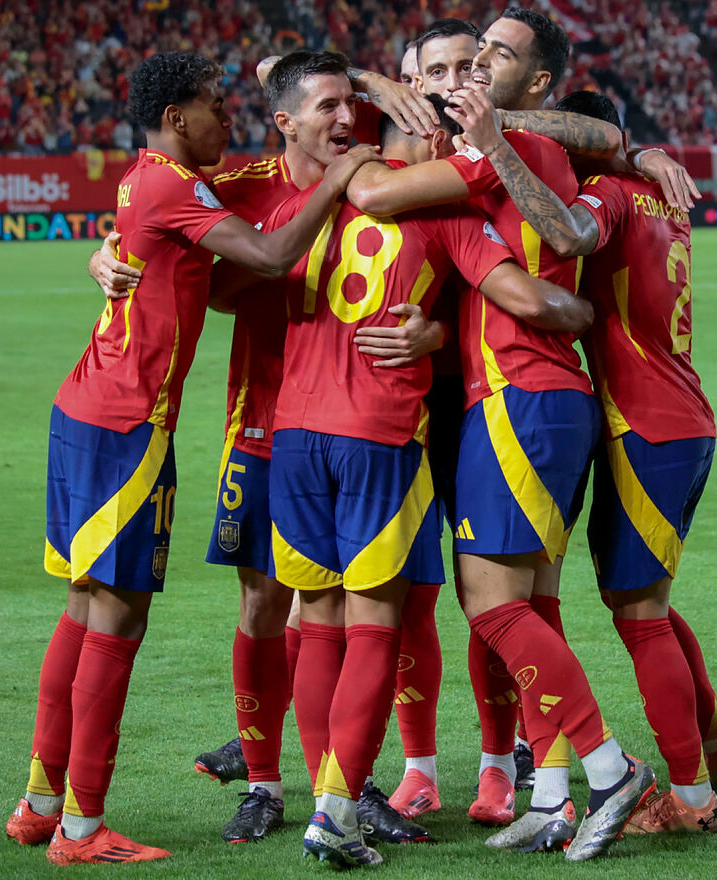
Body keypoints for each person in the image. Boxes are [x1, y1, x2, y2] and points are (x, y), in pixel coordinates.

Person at [3, 51, 377, 866]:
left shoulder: (149, 177)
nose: (225, 119)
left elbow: (169, 249)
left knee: (82, 607)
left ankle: (40, 802)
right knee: (117, 620)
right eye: (213, 106)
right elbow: (273, 258)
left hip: (88, 411)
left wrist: (107, 250)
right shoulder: (181, 183)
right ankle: (80, 827)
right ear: (177, 118)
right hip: (128, 424)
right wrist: (340, 178)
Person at [224, 83, 595, 868]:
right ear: (424, 141)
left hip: (292, 438)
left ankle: (320, 791)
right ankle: (336, 807)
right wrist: (581, 315)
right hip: (380, 440)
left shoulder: (309, 203)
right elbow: (522, 294)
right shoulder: (444, 215)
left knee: (315, 621)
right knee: (374, 630)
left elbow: (239, 277)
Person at [90, 51, 441, 847]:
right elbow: (172, 250)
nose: (346, 119)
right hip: (264, 420)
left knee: (368, 611)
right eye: (330, 106)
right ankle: (262, 782)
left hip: (363, 423)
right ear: (288, 119)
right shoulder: (245, 183)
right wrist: (106, 255)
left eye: (353, 104)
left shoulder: (383, 178)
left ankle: (346, 786)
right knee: (264, 605)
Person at [345, 8, 655, 861]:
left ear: (531, 83)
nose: (471, 71)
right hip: (534, 397)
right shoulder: (516, 149)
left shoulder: (498, 153)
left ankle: (607, 766)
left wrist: (384, 126)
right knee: (528, 602)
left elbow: (372, 193)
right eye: (465, 58)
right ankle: (552, 795)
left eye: (488, 58)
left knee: (490, 602)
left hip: (519, 395)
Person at [455, 86, 717, 835]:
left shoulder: (610, 195)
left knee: (641, 617)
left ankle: (687, 797)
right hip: (681, 416)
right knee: (645, 602)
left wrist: (498, 146)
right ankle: (715, 747)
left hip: (641, 421)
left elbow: (568, 235)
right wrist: (646, 151)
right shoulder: (658, 194)